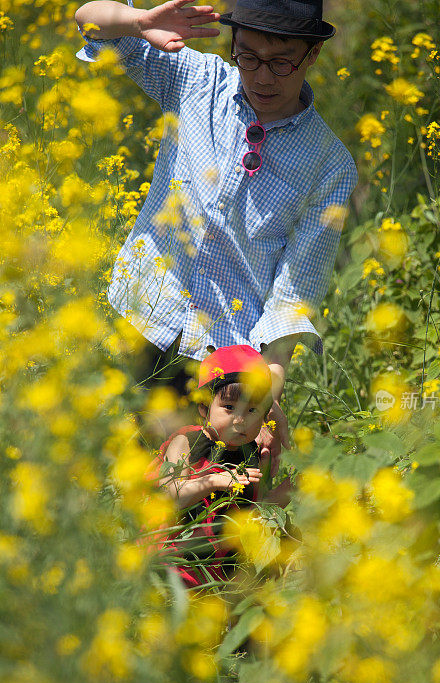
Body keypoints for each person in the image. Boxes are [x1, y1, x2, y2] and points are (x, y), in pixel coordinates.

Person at [74, 0, 358, 474]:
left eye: (281, 61)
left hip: (219, 366)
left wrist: (260, 396)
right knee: (96, 480)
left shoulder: (330, 166)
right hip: (138, 318)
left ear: (312, 56)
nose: (263, 78)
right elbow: (89, 20)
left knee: (184, 511)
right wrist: (140, 22)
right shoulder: (198, 81)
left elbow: (292, 302)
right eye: (248, 57)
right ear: (232, 46)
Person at [146, 344, 290, 588]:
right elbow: (171, 495)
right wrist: (215, 480)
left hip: (220, 568)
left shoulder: (252, 455)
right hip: (176, 558)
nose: (240, 420)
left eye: (252, 410)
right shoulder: (187, 442)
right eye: (229, 408)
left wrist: (287, 493)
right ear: (204, 407)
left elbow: (255, 509)